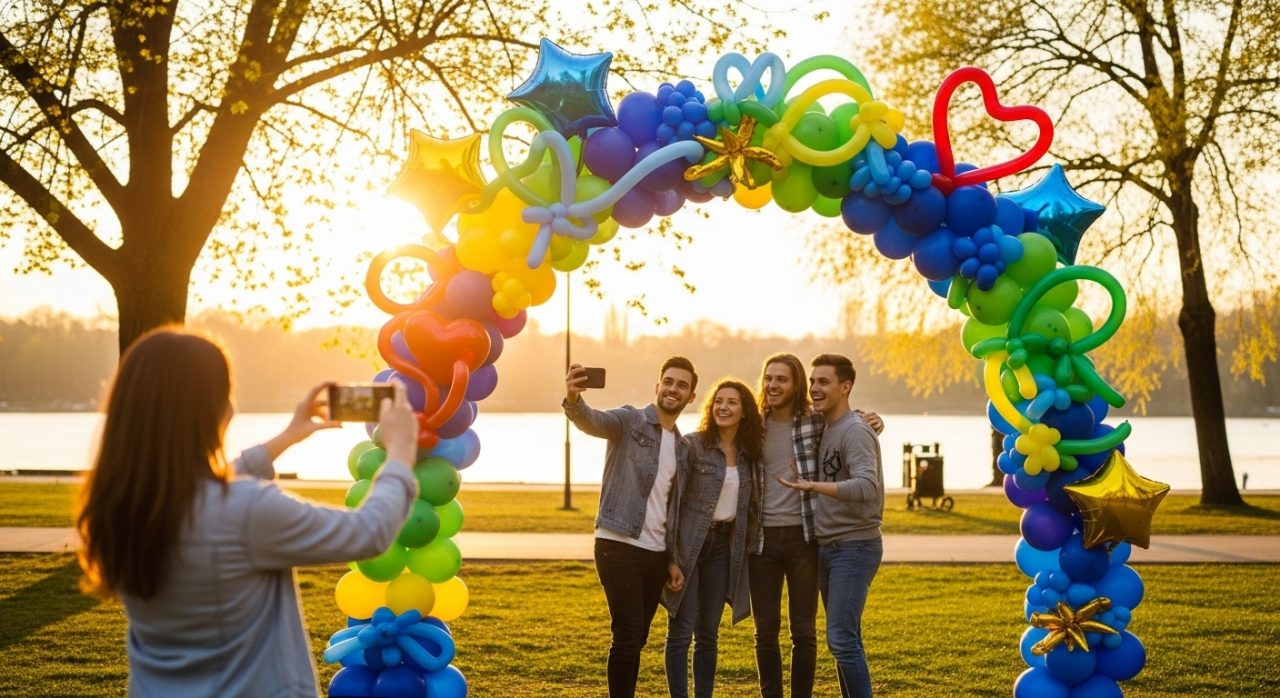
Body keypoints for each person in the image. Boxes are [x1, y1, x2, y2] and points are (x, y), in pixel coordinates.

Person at [75, 327, 420, 697]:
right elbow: (369, 532)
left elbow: (201, 491)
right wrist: (400, 451)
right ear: (215, 409)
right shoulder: (248, 510)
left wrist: (288, 436)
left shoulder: (120, 505)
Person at [749, 353, 883, 698]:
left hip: (807, 539)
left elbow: (853, 429)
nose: (773, 385)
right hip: (766, 540)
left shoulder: (815, 421)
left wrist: (871, 420)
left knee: (812, 633)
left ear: (795, 386)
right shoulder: (753, 424)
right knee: (768, 632)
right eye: (768, 378)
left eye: (783, 379)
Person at [564, 356, 697, 698]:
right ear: (657, 386)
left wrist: (670, 558)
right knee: (627, 633)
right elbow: (592, 421)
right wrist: (575, 398)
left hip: (655, 555)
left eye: (682, 385)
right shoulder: (630, 421)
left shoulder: (682, 448)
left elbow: (672, 508)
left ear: (690, 397)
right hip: (617, 544)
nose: (673, 389)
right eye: (668, 381)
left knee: (636, 638)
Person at [664, 379, 763, 698]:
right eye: (718, 400)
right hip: (689, 545)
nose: (723, 406)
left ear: (745, 411)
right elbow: (673, 502)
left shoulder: (751, 454)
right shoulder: (693, 445)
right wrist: (671, 557)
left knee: (707, 634)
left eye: (732, 402)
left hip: (723, 547)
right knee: (680, 632)